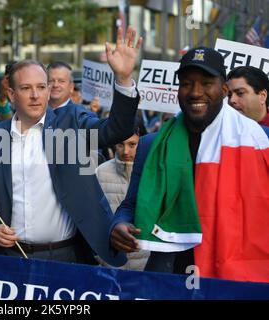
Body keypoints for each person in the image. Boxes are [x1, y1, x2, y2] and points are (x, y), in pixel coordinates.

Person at [0, 26, 143, 266]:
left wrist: (124, 79)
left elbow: (116, 130)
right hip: (11, 259)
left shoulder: (71, 122)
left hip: (67, 258)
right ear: (12, 95)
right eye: (26, 88)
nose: (35, 95)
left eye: (41, 87)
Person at [110, 47, 269, 283]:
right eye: (186, 83)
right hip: (170, 273)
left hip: (237, 275)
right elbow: (130, 204)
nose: (195, 92)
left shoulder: (260, 143)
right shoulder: (151, 145)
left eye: (206, 83)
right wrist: (119, 224)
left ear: (224, 89)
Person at [96, 126, 149, 270]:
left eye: (132, 144)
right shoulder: (101, 172)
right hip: (109, 261)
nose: (126, 151)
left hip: (144, 263)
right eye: (120, 144)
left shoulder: (153, 173)